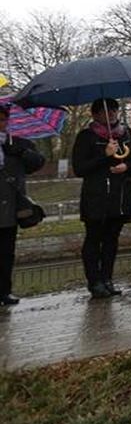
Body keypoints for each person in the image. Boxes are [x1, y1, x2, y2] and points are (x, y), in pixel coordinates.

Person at [71, 98, 131, 299]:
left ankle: (107, 278)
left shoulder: (125, 133)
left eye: (113, 111)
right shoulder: (86, 136)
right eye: (105, 112)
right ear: (95, 115)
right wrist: (104, 154)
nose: (110, 115)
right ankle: (94, 281)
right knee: (94, 239)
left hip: (119, 196)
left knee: (112, 239)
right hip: (96, 197)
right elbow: (80, 168)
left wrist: (126, 167)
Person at [0, 103, 46, 306]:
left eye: (2, 119)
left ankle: (4, 291)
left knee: (6, 252)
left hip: (9, 207)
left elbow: (37, 163)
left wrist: (21, 152)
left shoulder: (17, 142)